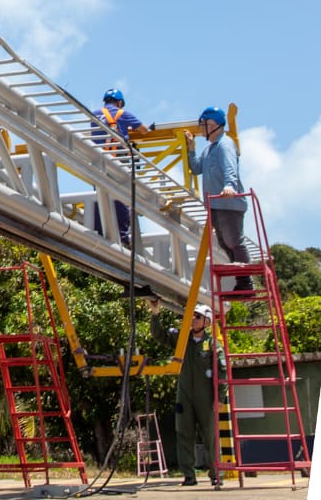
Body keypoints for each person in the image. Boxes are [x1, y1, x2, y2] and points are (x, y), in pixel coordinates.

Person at [150, 299, 226, 486]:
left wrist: (220, 398)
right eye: (192, 315)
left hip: (206, 397)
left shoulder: (213, 345)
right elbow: (159, 335)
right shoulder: (182, 339)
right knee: (184, 433)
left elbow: (222, 371)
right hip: (184, 395)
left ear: (206, 321)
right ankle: (189, 476)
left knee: (210, 436)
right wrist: (155, 313)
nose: (192, 319)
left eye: (197, 316)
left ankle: (216, 474)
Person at [185, 107, 253, 292]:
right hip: (215, 204)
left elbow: (230, 167)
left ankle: (245, 280)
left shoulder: (225, 144)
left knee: (233, 241)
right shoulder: (209, 149)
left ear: (212, 124)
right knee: (224, 243)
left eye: (203, 125)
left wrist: (229, 186)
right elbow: (196, 168)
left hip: (228, 203)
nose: (201, 129)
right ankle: (241, 279)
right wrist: (191, 148)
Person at [91, 88, 150, 247]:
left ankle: (99, 230)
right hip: (118, 162)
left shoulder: (95, 114)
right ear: (119, 103)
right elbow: (144, 130)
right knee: (122, 198)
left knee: (100, 195)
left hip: (98, 162)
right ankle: (123, 236)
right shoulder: (123, 114)